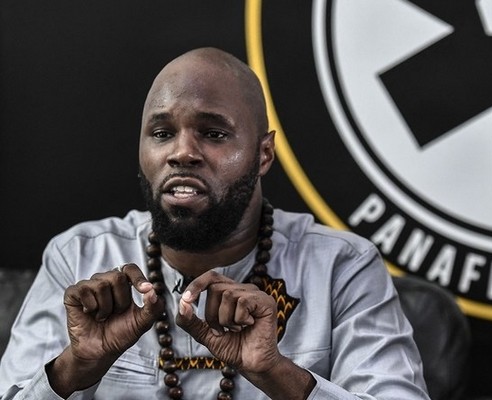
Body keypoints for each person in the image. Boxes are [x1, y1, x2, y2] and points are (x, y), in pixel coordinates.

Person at [0, 47, 429, 399]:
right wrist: (73, 369)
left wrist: (276, 373)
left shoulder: (342, 266)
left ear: (264, 154)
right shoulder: (79, 257)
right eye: (162, 133)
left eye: (213, 134)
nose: (182, 153)